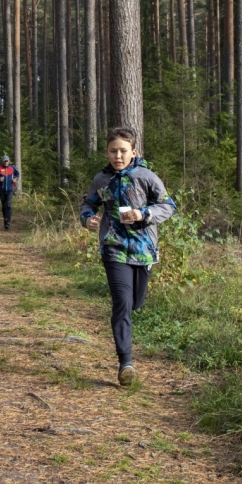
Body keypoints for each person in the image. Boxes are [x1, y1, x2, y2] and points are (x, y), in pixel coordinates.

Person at [80, 127, 176, 386]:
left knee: (135, 303)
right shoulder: (101, 179)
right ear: (107, 152)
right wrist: (88, 219)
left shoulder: (147, 177)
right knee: (122, 303)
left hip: (144, 251)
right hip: (114, 248)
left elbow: (169, 206)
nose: (118, 156)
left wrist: (143, 214)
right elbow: (88, 203)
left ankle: (127, 352)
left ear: (134, 152)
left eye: (123, 151)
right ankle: (126, 363)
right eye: (113, 151)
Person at [0, 155, 20, 230]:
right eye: (4, 161)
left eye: (7, 161)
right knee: (4, 206)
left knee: (9, 205)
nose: (6, 162)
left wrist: (15, 179)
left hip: (10, 190)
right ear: (2, 161)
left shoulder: (12, 168)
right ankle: (5, 220)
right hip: (2, 190)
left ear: (9, 161)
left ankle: (8, 223)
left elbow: (17, 174)